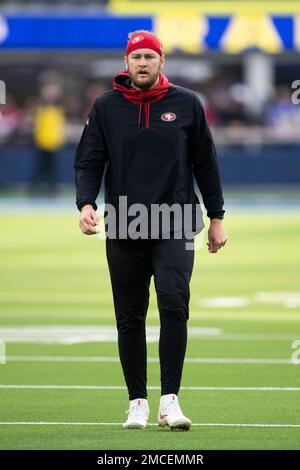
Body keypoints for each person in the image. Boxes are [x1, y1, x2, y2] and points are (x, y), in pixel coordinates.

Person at [74, 30, 228, 431]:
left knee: (174, 304)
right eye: (136, 57)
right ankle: (138, 402)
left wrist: (217, 217)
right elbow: (89, 160)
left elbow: (206, 164)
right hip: (124, 220)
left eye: (150, 56)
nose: (143, 63)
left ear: (162, 62)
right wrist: (86, 204)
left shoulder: (187, 104)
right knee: (129, 316)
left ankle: (170, 402)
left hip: (176, 220)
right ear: (125, 63)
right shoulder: (106, 107)